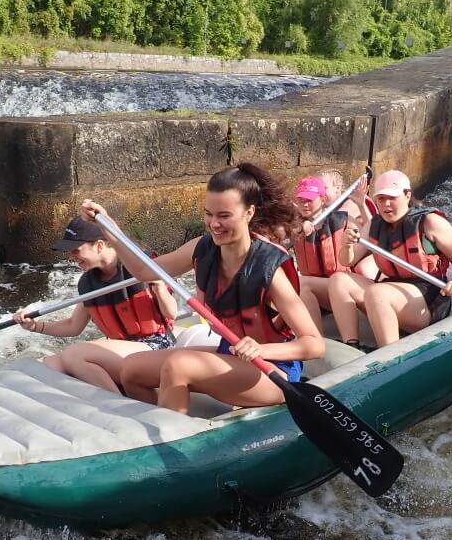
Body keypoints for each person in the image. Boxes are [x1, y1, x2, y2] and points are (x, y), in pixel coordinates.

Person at [80, 162, 325, 415]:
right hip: (229, 355)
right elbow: (143, 270)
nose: (214, 224)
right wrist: (108, 227)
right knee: (132, 370)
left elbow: (314, 345)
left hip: (271, 370)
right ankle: (167, 421)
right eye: (209, 214)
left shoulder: (269, 269)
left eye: (224, 216)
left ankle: (174, 432)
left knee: (179, 364)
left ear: (249, 213)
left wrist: (261, 349)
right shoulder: (202, 249)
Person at [11, 216, 178, 393]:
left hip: (157, 346)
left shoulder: (141, 267)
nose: (71, 257)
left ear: (99, 246)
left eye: (76, 250)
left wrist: (159, 286)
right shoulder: (90, 282)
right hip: (124, 349)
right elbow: (73, 326)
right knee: (51, 364)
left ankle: (116, 402)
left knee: (74, 354)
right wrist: (34, 326)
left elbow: (171, 313)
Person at [328, 169, 452, 349]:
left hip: (428, 299)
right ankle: (352, 344)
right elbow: (347, 261)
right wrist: (347, 245)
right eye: (381, 199)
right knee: (339, 280)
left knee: (376, 292)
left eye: (392, 198)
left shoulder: (430, 222)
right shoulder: (374, 225)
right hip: (392, 291)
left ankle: (389, 354)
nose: (386, 204)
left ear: (407, 195)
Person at [291, 175, 378, 331]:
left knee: (302, 283)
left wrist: (361, 205)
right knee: (299, 285)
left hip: (340, 287)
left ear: (323, 200)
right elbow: (278, 233)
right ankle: (314, 337)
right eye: (301, 200)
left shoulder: (341, 219)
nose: (305, 204)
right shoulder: (294, 225)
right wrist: (299, 227)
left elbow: (372, 233)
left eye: (309, 200)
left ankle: (314, 337)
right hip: (319, 292)